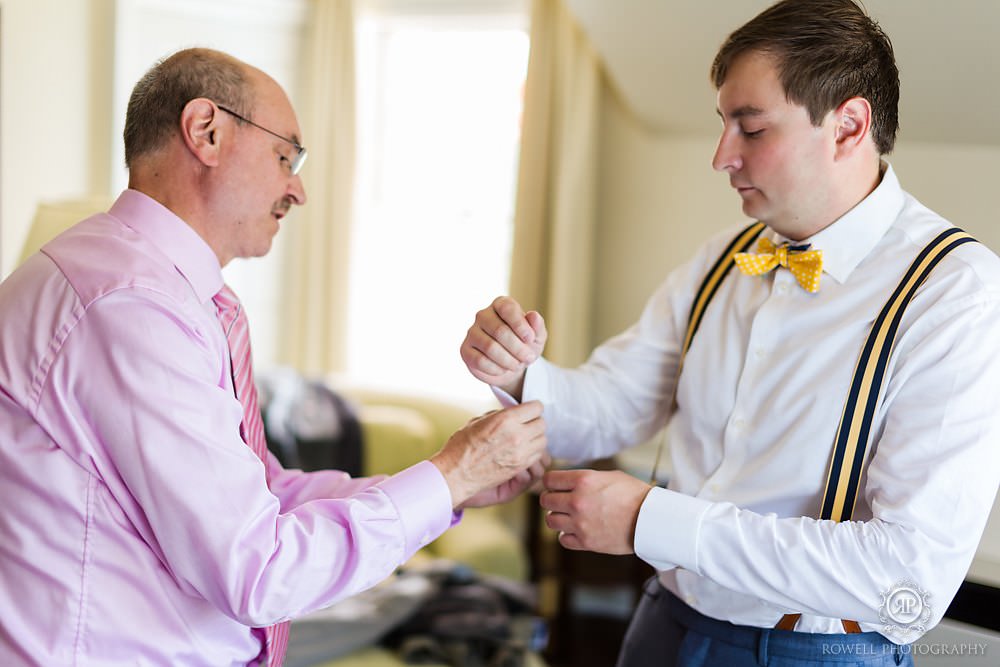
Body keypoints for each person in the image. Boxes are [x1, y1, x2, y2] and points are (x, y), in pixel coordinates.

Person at [460, 1, 1000, 665]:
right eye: (724, 126)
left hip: (813, 652)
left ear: (848, 126)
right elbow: (611, 405)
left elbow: (907, 578)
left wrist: (652, 522)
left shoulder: (957, 294)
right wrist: (517, 371)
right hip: (662, 623)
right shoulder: (722, 258)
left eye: (751, 129)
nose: (721, 157)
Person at [0, 48, 547, 666]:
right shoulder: (129, 307)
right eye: (285, 155)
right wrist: (454, 474)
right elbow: (257, 571)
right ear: (206, 131)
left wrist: (446, 487)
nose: (298, 189)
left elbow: (260, 492)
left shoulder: (160, 290)